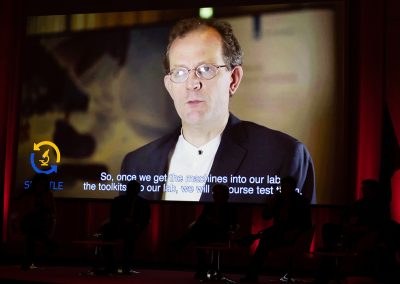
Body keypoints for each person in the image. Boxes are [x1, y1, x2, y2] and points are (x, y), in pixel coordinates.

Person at [120, 17, 315, 204]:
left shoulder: (282, 155)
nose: (192, 84)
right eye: (180, 72)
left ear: (233, 79)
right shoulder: (136, 163)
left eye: (205, 69)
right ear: (169, 85)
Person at [239, 176, 313, 283]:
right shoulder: (279, 201)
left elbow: (307, 224)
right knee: (266, 240)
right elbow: (266, 217)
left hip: (294, 236)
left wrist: (296, 232)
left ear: (293, 187)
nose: (283, 189)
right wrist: (270, 205)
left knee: (265, 240)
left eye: (286, 187)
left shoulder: (301, 202)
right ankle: (252, 273)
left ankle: (253, 239)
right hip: (278, 233)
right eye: (282, 187)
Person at [172, 184, 238, 280]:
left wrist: (215, 222)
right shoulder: (209, 206)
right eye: (214, 193)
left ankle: (181, 244)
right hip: (206, 233)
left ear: (224, 195)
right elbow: (200, 220)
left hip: (221, 234)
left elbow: (232, 224)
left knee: (198, 232)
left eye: (217, 193)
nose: (214, 195)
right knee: (199, 233)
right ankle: (202, 269)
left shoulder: (230, 208)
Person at [99, 179, 151, 275]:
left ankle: (126, 267)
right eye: (131, 188)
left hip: (133, 228)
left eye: (135, 189)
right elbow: (113, 216)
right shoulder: (118, 200)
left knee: (130, 237)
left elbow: (145, 219)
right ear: (127, 189)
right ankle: (111, 265)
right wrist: (123, 221)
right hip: (118, 226)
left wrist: (137, 225)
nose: (133, 191)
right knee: (105, 233)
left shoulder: (143, 203)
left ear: (138, 190)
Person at [19, 173, 57, 270]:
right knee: (32, 224)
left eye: (42, 185)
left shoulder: (48, 195)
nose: (40, 186)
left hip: (43, 222)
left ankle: (28, 262)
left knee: (31, 236)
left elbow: (52, 211)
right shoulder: (28, 195)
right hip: (29, 220)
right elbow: (23, 212)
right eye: (39, 184)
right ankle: (47, 243)